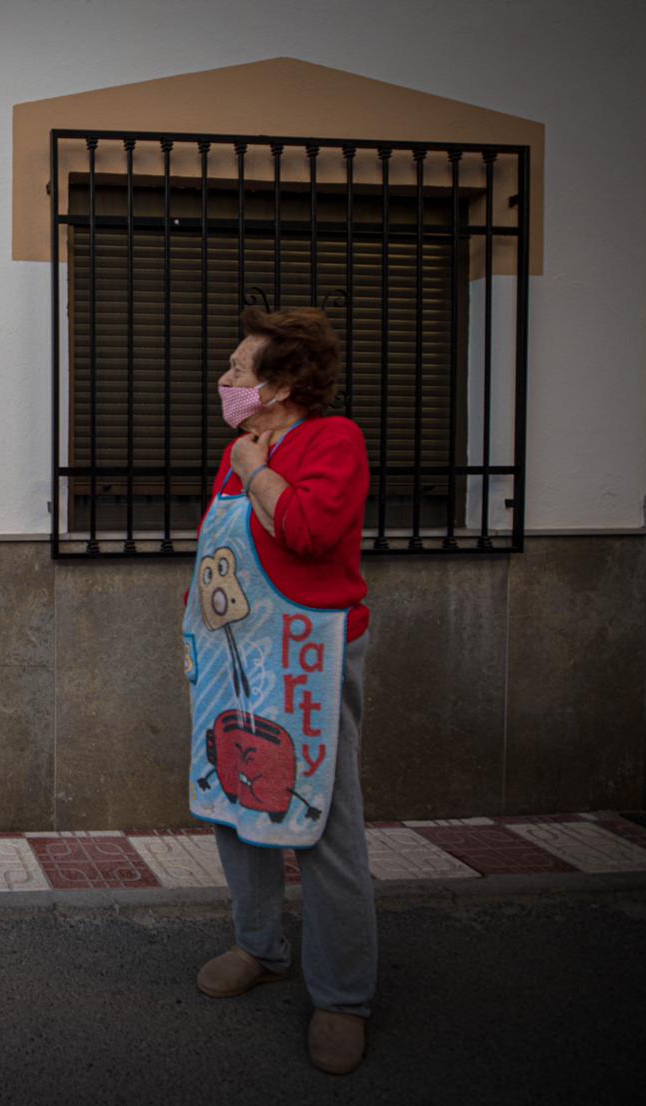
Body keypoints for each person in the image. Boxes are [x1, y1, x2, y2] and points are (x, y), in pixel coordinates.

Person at [183, 307, 374, 1075]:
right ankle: (260, 946)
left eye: (238, 367)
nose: (225, 380)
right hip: (235, 655)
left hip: (309, 656)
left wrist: (260, 469)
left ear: (285, 380)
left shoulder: (334, 441)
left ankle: (343, 997)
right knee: (235, 797)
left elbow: (306, 531)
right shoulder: (237, 454)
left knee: (322, 819)